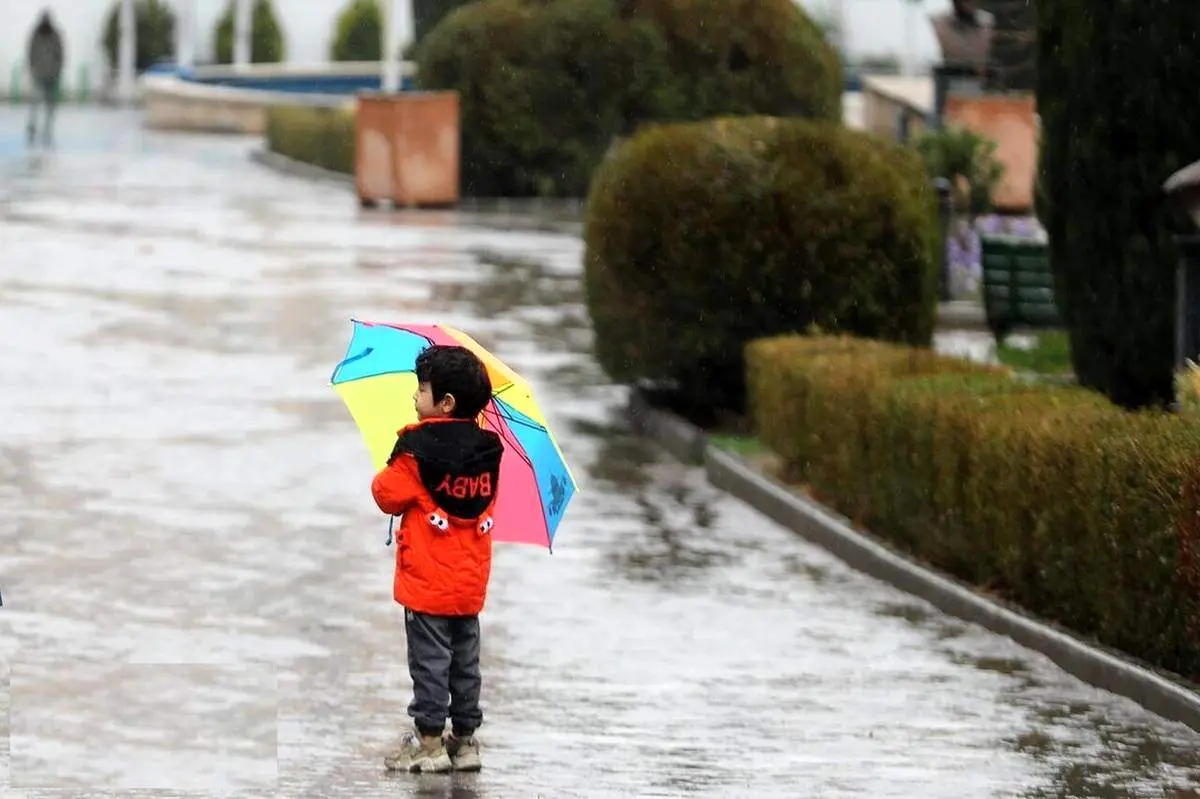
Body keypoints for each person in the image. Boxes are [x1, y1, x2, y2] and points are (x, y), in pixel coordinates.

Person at [371, 345, 504, 773]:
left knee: (429, 662)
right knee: (466, 662)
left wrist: (394, 460)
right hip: (469, 585)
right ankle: (464, 741)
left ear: (445, 403)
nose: (415, 396)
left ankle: (428, 741)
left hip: (427, 583)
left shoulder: (416, 448)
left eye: (422, 389)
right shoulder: (489, 450)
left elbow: (385, 495)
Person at [26, 10, 64, 147]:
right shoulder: (36, 34)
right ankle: (32, 127)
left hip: (52, 75)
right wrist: (32, 67)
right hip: (39, 74)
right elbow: (30, 52)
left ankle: (47, 129)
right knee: (35, 102)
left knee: (50, 105)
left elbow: (60, 54)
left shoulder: (55, 35)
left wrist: (58, 70)